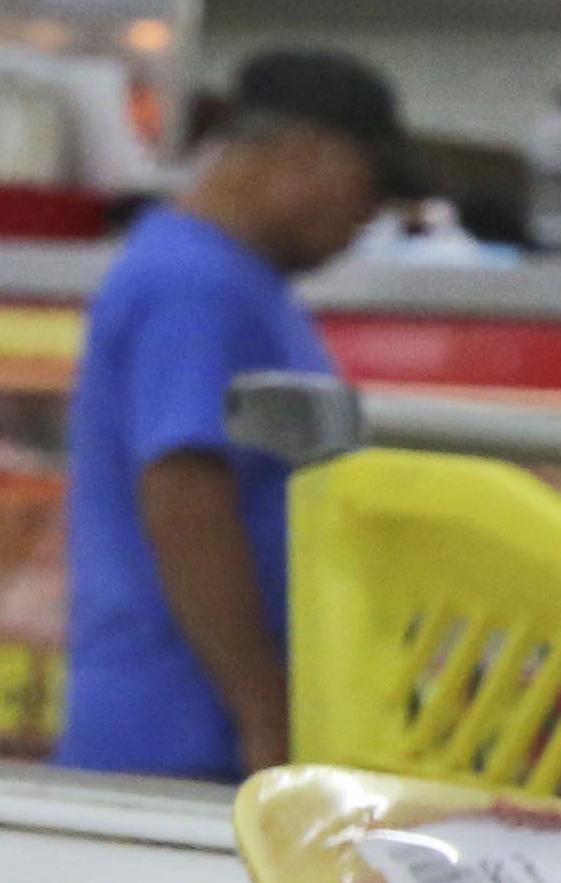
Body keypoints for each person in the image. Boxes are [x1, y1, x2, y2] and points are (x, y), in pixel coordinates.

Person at [57, 49, 411, 780]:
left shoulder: (228, 280)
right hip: (184, 735)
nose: (367, 216)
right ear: (305, 153)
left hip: (196, 724)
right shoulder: (195, 284)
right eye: (367, 187)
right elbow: (186, 498)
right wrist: (264, 713)